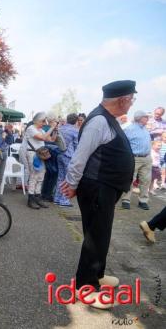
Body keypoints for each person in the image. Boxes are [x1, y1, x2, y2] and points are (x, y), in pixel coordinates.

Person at [61, 80, 136, 310]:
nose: (132, 103)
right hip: (97, 187)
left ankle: (97, 274)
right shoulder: (99, 121)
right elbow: (79, 157)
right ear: (122, 99)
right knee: (96, 237)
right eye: (132, 98)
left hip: (105, 186)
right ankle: (86, 286)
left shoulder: (107, 119)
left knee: (99, 234)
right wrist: (72, 184)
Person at [20, 112, 57, 209]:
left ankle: (38, 197)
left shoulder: (40, 129)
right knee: (34, 176)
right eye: (43, 121)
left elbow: (51, 139)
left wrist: (55, 130)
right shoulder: (31, 128)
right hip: (32, 154)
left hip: (40, 155)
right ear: (37, 120)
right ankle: (31, 199)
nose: (44, 123)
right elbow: (43, 138)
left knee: (41, 175)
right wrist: (51, 127)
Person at [121, 110, 152, 210]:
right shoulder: (129, 129)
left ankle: (143, 200)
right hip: (134, 157)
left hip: (147, 158)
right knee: (130, 179)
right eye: (145, 117)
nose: (147, 118)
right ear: (139, 118)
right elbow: (123, 143)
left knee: (146, 180)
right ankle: (126, 199)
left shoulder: (145, 129)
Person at [53, 113, 79, 207]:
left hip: (59, 154)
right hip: (69, 156)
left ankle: (57, 198)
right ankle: (64, 201)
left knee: (60, 177)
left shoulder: (61, 128)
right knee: (68, 178)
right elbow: (77, 145)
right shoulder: (75, 131)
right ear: (76, 121)